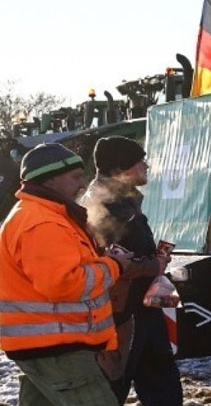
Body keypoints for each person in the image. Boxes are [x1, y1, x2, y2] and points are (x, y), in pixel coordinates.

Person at [0, 143, 127, 406]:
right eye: (75, 177)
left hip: (46, 348)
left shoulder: (41, 216)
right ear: (50, 179)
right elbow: (65, 284)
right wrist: (115, 265)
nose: (82, 185)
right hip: (59, 351)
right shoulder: (43, 223)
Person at [80, 136, 183, 405]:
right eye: (140, 161)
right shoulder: (105, 207)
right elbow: (106, 260)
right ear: (121, 168)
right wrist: (153, 265)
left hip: (141, 307)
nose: (146, 166)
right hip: (122, 314)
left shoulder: (121, 200)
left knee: (160, 380)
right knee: (114, 385)